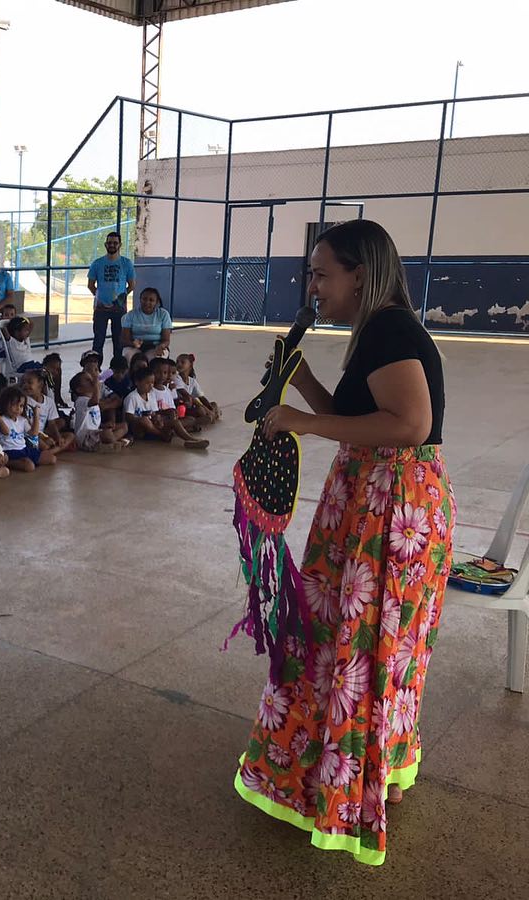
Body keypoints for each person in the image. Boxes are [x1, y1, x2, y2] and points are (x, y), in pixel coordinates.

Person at [236, 219, 452, 867]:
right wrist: (300, 384)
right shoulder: (376, 331)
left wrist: (304, 420)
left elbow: (410, 425)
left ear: (361, 274)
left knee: (356, 646)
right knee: (357, 646)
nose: (312, 284)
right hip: (376, 502)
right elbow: (365, 418)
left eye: (321, 272)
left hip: (391, 511)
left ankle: (346, 786)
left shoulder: (388, 328)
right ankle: (356, 772)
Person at [86, 232, 135, 358]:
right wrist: (99, 297)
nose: (112, 245)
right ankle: (96, 368)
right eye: (109, 243)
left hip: (119, 309)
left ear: (120, 245)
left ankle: (117, 368)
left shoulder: (126, 263)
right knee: (98, 340)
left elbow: (132, 285)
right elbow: (91, 285)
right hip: (100, 309)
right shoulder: (97, 263)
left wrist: (121, 298)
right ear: (105, 244)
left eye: (115, 243)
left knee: (119, 340)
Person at [0, 386, 55, 472]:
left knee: (51, 459)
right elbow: (6, 432)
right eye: (14, 405)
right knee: (29, 466)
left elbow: (34, 433)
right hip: (9, 451)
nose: (18, 409)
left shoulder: (22, 420)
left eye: (21, 406)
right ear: (5, 404)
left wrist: (36, 414)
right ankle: (7, 461)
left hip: (24, 449)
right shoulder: (0, 419)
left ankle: (27, 460)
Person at [70, 371, 129, 452]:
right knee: (107, 434)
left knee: (124, 426)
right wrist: (96, 385)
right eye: (88, 380)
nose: (92, 381)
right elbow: (95, 401)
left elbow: (92, 422)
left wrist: (104, 425)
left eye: (91, 379)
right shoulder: (81, 400)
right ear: (79, 389)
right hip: (85, 437)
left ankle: (109, 443)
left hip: (96, 433)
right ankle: (114, 443)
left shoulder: (93, 401)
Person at [22, 369, 74, 454]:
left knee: (70, 435)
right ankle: (53, 450)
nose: (25, 385)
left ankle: (52, 450)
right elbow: (26, 427)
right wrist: (44, 438)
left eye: (29, 382)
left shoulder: (49, 402)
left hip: (43, 433)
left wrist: (58, 437)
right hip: (30, 434)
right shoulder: (23, 400)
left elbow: (52, 424)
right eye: (24, 383)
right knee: (44, 445)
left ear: (40, 384)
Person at [121, 286, 173, 357]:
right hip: (134, 347)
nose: (147, 302)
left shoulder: (163, 314)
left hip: (156, 346)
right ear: (140, 299)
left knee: (156, 358)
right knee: (132, 356)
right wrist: (133, 343)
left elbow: (166, 340)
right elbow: (124, 339)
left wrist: (160, 346)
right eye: (144, 299)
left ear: (156, 302)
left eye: (151, 300)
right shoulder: (131, 315)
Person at [175, 353, 219, 421]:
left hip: (190, 406)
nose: (179, 364)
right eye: (177, 362)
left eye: (182, 362)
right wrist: (207, 410)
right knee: (201, 410)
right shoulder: (176, 379)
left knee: (213, 404)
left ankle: (211, 415)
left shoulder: (192, 381)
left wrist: (210, 409)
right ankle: (209, 417)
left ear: (190, 365)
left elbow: (201, 397)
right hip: (181, 407)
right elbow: (188, 396)